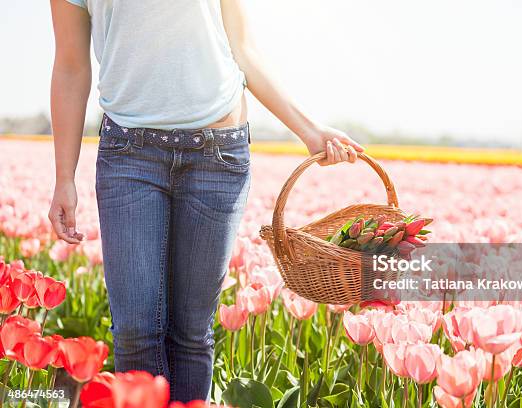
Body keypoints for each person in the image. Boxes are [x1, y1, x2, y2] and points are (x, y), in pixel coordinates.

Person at [48, 0, 364, 402]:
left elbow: (243, 49)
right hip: (129, 155)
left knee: (192, 333)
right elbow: (71, 67)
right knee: (134, 332)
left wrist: (308, 129)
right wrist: (64, 177)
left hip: (218, 155)